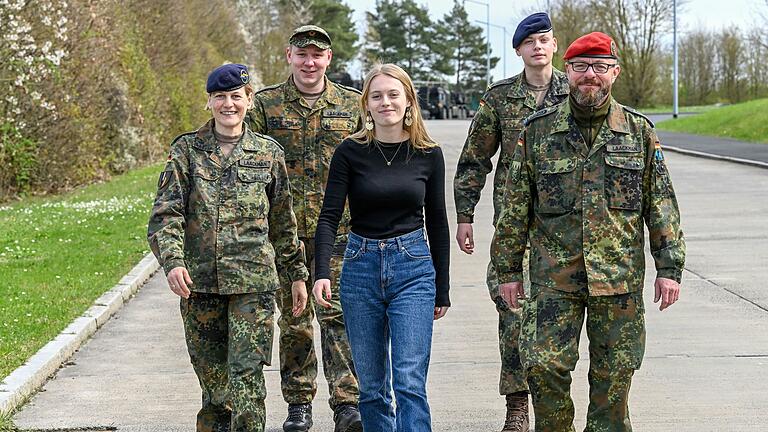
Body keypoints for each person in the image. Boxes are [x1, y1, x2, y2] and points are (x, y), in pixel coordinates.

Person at [490, 32, 686, 431]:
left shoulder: (638, 132)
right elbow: (514, 208)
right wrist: (508, 271)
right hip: (552, 281)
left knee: (614, 378)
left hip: (617, 281)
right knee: (544, 371)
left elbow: (660, 203)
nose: (589, 75)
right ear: (568, 71)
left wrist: (669, 267)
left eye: (599, 67)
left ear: (614, 72)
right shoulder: (538, 132)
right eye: (580, 67)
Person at [147, 63, 309, 432]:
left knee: (247, 378)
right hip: (200, 284)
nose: (228, 104)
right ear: (209, 102)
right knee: (214, 386)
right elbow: (165, 213)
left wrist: (297, 275)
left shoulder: (268, 153)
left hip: (253, 284)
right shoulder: (186, 151)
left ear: (249, 101)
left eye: (236, 96)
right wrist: (172, 261)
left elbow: (284, 223)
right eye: (220, 97)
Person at [312, 63, 450, 432]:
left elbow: (437, 221)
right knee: (371, 388)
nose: (385, 102)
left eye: (393, 94)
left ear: (408, 101)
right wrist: (321, 272)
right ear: (366, 105)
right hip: (360, 268)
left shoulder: (428, 154)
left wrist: (443, 288)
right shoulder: (349, 152)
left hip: (413, 268)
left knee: (409, 383)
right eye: (377, 96)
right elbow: (328, 217)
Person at [453, 12, 568, 432]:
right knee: (513, 313)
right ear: (518, 50)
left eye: (545, 39)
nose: (538, 47)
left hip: (566, 229)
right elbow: (473, 159)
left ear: (555, 46)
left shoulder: (576, 91)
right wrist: (465, 215)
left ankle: (555, 405)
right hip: (514, 229)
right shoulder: (500, 98)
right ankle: (517, 405)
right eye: (530, 41)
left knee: (560, 317)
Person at [246, 25, 362, 432]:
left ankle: (348, 403)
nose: (309, 62)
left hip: (341, 231)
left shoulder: (352, 105)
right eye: (302, 54)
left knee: (339, 317)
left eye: (317, 54)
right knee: (295, 320)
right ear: (289, 56)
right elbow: (251, 165)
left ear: (329, 58)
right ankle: (299, 403)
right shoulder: (265, 105)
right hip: (286, 235)